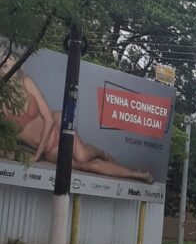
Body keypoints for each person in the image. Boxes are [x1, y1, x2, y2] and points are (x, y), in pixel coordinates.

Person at [0, 55, 153, 183]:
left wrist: (37, 155)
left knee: (82, 156)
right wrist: (32, 153)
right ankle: (137, 174)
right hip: (49, 149)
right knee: (87, 166)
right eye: (4, 64)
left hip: (56, 125)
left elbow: (49, 119)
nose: (10, 65)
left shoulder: (26, 81)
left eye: (11, 59)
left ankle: (104, 154)